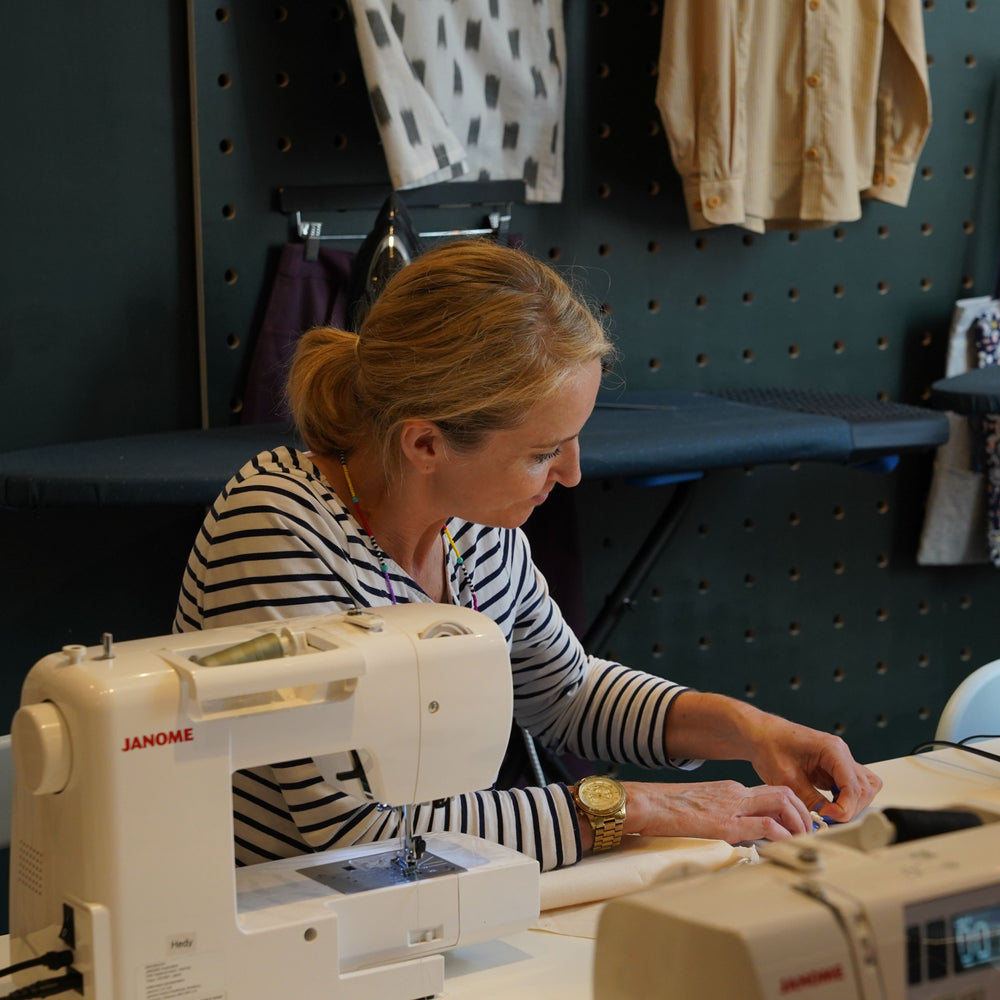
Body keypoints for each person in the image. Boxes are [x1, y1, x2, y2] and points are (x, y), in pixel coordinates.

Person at [174, 238, 881, 871]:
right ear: (425, 444)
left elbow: (566, 695)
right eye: (543, 452)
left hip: (413, 901)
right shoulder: (275, 528)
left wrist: (748, 729)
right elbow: (348, 832)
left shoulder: (472, 524)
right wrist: (637, 808)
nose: (571, 473)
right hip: (267, 920)